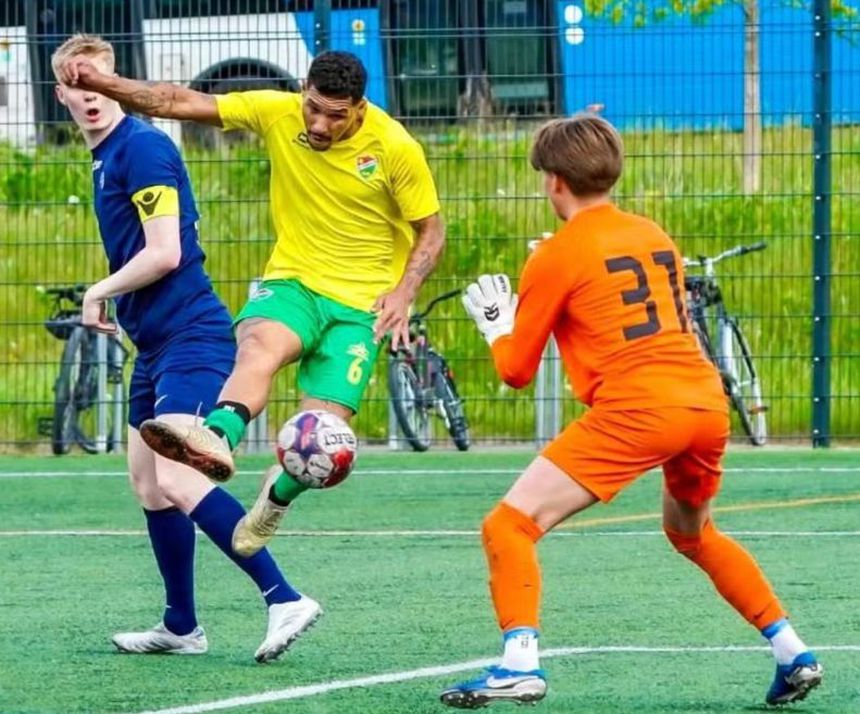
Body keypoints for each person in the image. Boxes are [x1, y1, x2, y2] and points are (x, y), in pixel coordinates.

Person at [443, 115, 822, 708]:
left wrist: (496, 325)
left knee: (508, 527)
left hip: (638, 408)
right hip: (703, 400)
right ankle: (791, 651)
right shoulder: (652, 232)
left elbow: (515, 371)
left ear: (553, 182)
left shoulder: (556, 255)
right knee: (692, 534)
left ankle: (518, 663)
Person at [58, 50, 444, 557]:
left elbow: (431, 231)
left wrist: (404, 291)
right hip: (294, 281)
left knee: (318, 440)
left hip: (361, 305)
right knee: (258, 345)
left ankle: (274, 500)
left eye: (335, 114)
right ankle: (216, 436)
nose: (320, 123)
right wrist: (103, 83)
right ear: (302, 91)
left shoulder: (395, 146)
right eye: (312, 107)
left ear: (359, 107)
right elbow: (174, 100)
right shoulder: (276, 110)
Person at [53, 34, 320, 662]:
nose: (88, 94)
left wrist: (101, 291)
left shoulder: (141, 147)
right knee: (148, 484)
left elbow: (165, 251)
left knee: (177, 475)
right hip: (154, 345)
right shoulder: (104, 156)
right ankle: (181, 626)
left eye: (98, 80)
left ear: (114, 84)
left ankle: (284, 597)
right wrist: (124, 309)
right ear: (61, 93)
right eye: (75, 82)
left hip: (191, 339)